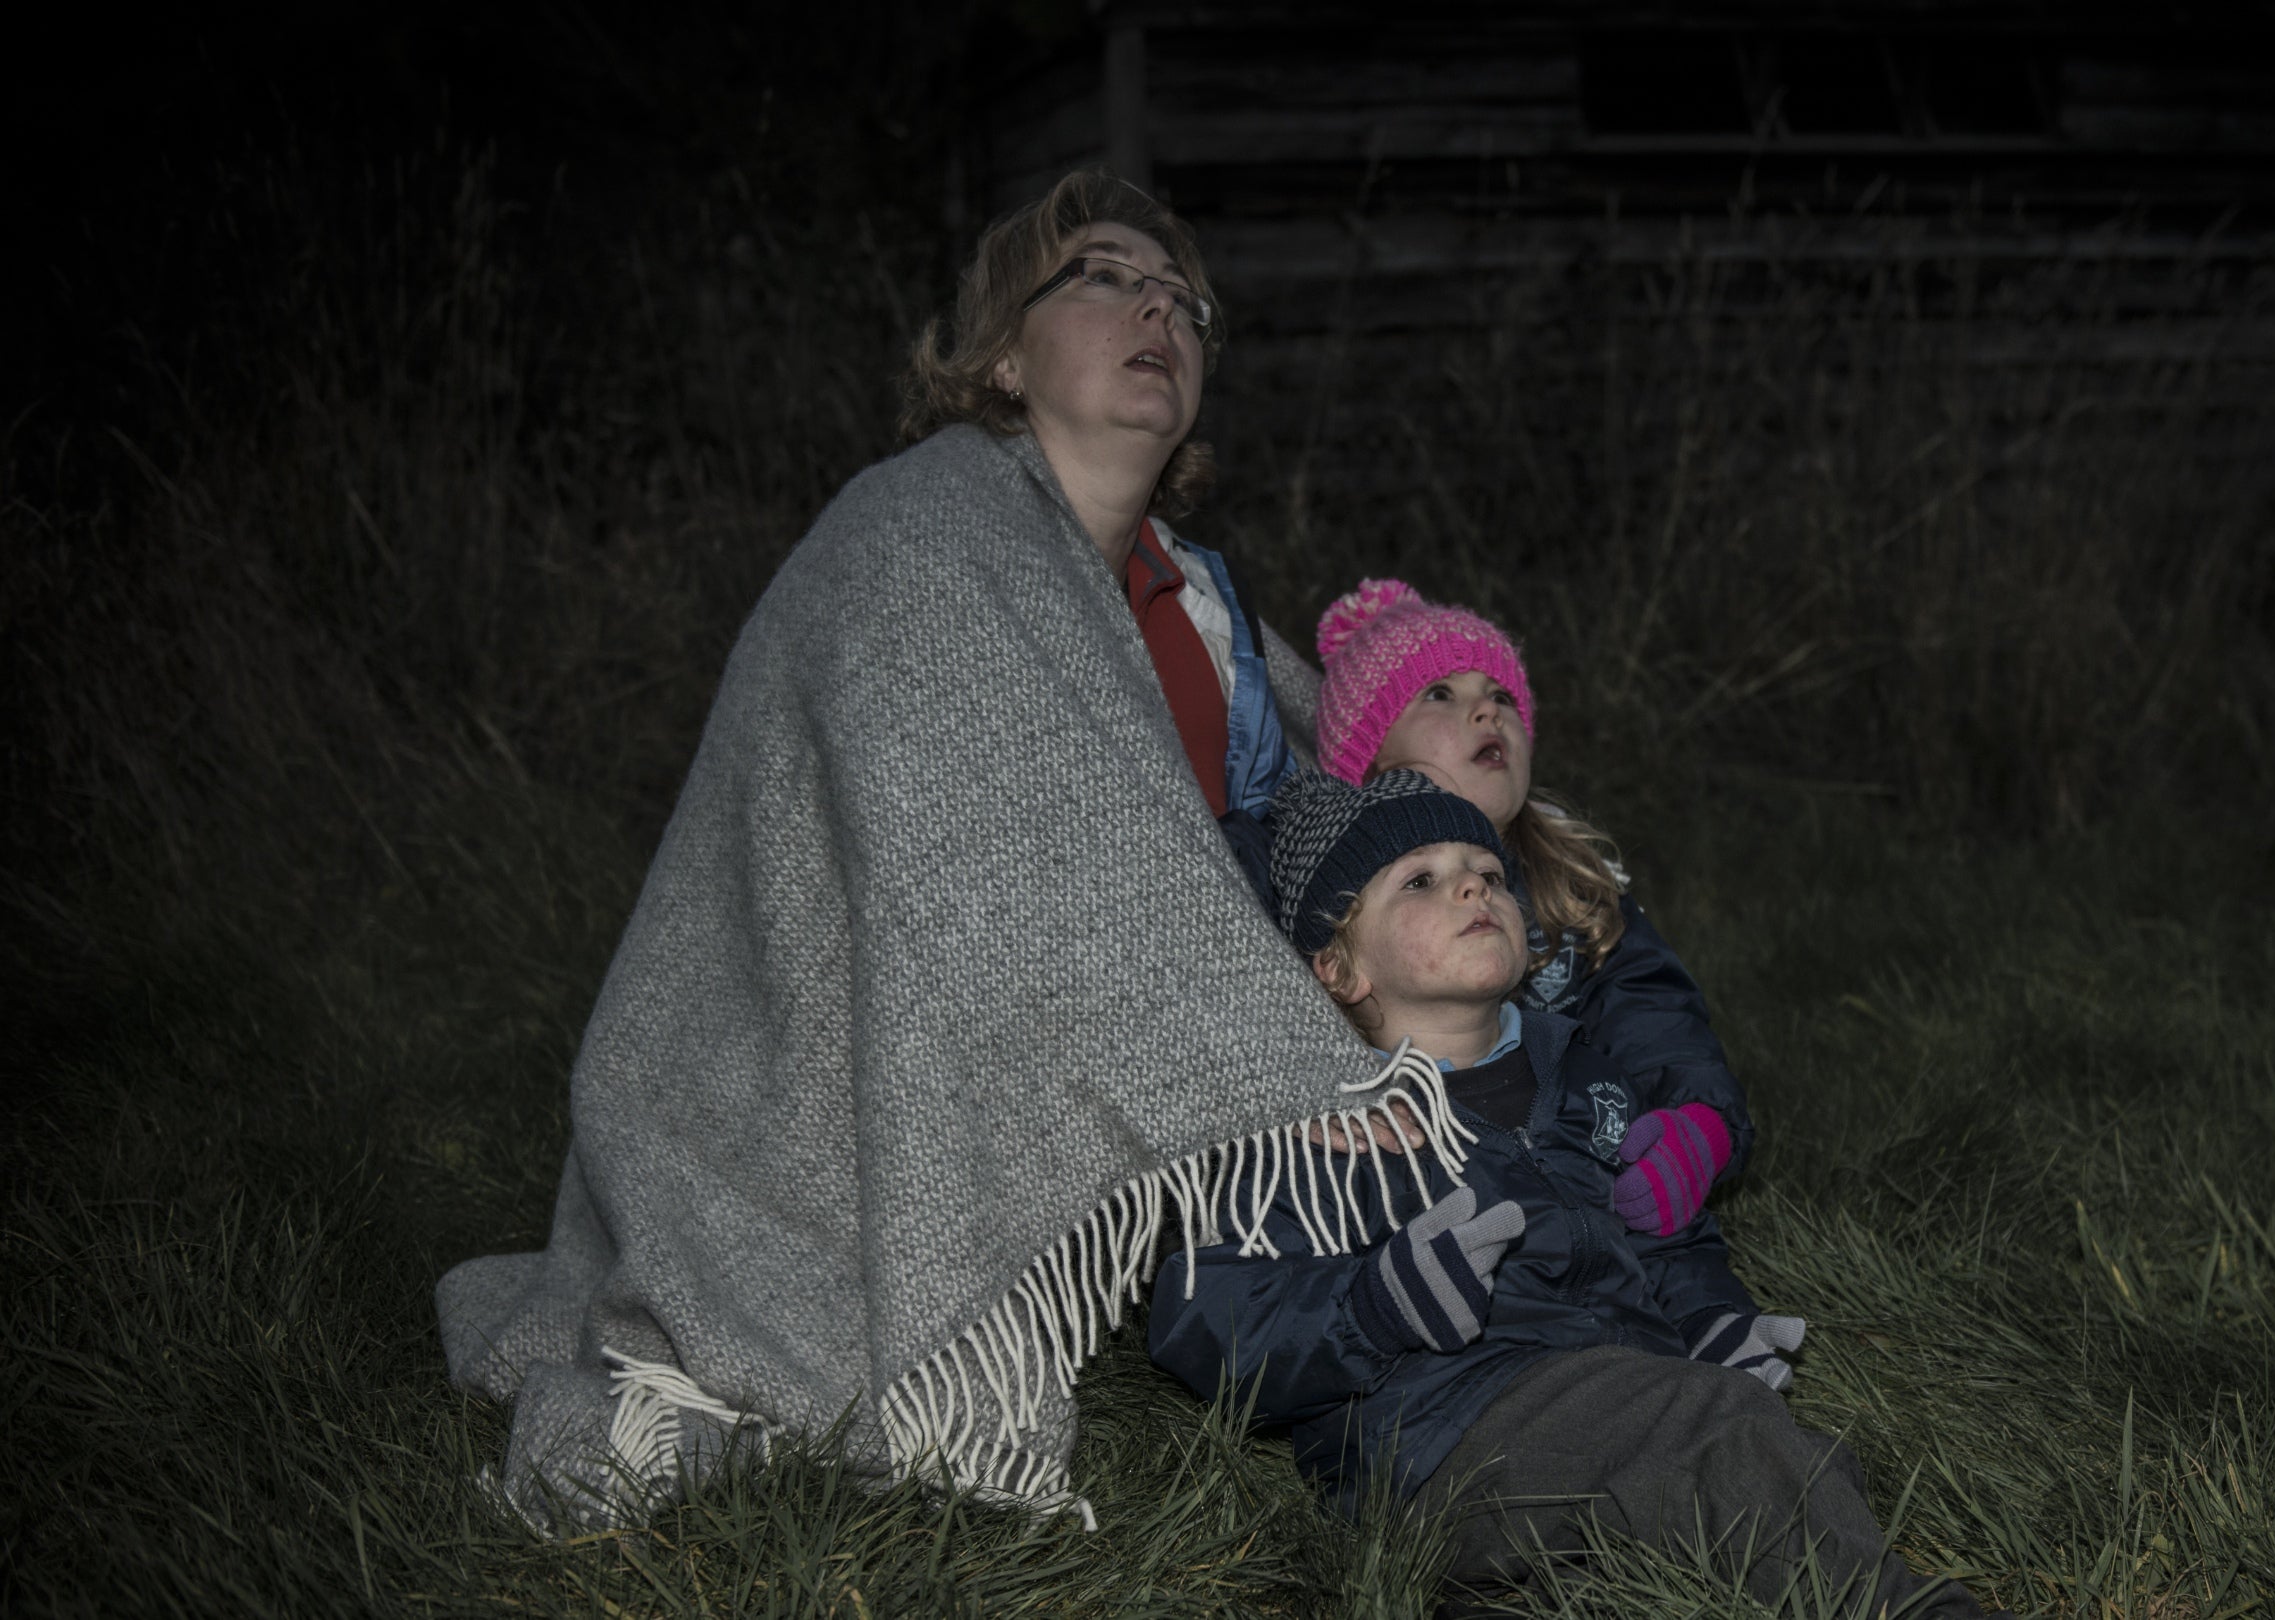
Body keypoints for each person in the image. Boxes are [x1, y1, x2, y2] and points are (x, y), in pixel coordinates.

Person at [431, 171, 1444, 1525]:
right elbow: (1023, 871)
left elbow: (1344, 782)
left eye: (1184, 297)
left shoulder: (1190, 594)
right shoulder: (922, 529)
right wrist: (1311, 1075)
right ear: (1004, 355)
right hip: (810, 1064)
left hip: (1117, 1023)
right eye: (1099, 273)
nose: (1158, 303)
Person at [1148, 769, 1999, 1619]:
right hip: (1440, 1437)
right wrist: (1371, 1306)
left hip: (1607, 1423)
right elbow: (1202, 1305)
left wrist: (1707, 1319)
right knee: (1720, 1434)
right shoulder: (1316, 1124)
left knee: (1774, 1467)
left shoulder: (1582, 1072)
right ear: (1337, 969)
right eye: (1420, 880)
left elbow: (1666, 1241)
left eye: (1484, 868)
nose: (1473, 884)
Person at [1309, 578, 1752, 1236]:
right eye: (1440, 694)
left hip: (1573, 1174)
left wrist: (1703, 1123)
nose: (1488, 713)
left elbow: (1651, 1012)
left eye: (1501, 697)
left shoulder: (1572, 882)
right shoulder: (1330, 894)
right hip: (1407, 1196)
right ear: (1365, 756)